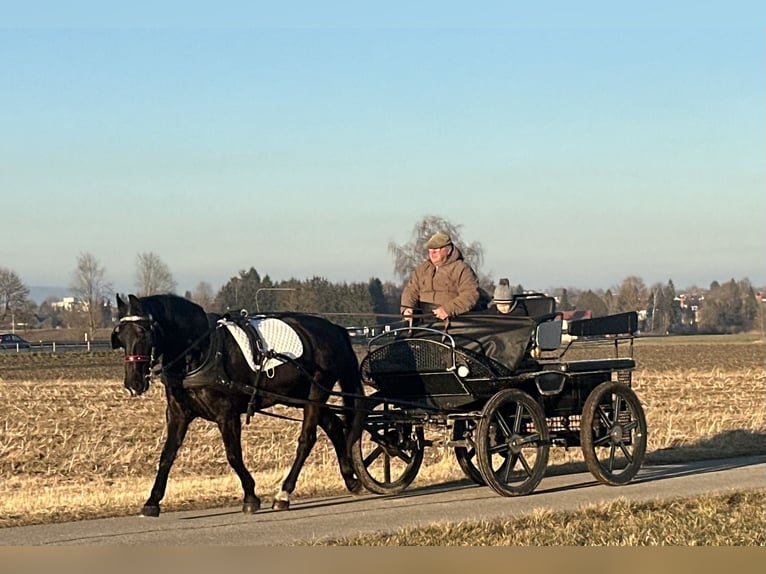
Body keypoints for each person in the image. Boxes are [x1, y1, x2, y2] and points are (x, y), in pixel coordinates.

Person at [400, 232, 480, 321]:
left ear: (448, 250)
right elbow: (410, 290)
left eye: (436, 250)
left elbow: (470, 295)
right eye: (430, 250)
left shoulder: (461, 269)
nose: (432, 253)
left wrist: (448, 310)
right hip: (422, 318)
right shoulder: (422, 269)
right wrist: (407, 308)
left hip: (450, 321)